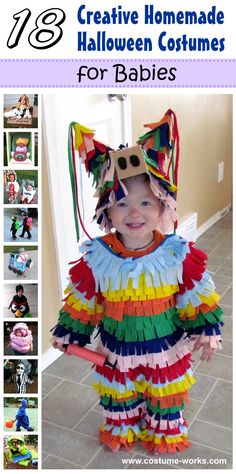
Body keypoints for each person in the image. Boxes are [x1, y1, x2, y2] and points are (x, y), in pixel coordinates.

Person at [51, 113, 223, 454]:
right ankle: (122, 428)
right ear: (106, 213)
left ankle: (164, 431)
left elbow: (195, 294)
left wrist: (206, 327)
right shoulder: (96, 257)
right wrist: (71, 332)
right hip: (116, 349)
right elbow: (84, 301)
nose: (134, 213)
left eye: (146, 202)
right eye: (121, 203)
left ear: (161, 207)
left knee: (166, 394)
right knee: (119, 396)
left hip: (167, 348)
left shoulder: (178, 253)